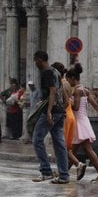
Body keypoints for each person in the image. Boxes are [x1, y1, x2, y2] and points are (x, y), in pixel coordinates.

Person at [66, 63, 98, 182]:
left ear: (73, 78)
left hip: (79, 123)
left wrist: (68, 100)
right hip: (84, 122)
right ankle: (64, 173)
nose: (68, 82)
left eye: (68, 79)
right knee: (72, 150)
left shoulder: (77, 91)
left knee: (85, 150)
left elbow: (76, 108)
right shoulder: (85, 90)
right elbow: (97, 106)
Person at [32, 50, 70, 184]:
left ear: (40, 60)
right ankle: (64, 175)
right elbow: (62, 93)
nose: (34, 63)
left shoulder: (47, 72)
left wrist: (48, 111)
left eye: (35, 60)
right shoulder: (56, 71)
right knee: (59, 143)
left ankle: (46, 171)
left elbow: (53, 92)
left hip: (52, 110)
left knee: (37, 139)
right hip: (60, 111)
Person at [51, 62, 81, 174]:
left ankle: (77, 164)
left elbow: (62, 102)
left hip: (64, 116)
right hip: (70, 116)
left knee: (60, 147)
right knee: (65, 147)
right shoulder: (67, 84)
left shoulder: (60, 84)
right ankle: (63, 171)